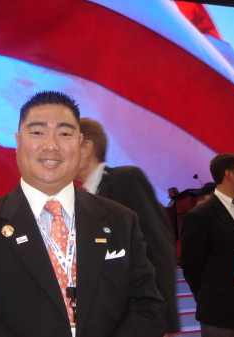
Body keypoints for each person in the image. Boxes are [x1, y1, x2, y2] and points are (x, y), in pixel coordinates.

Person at [0, 91, 165, 337]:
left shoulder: (121, 220)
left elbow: (147, 308)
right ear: (18, 141)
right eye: (37, 132)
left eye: (64, 134)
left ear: (80, 143)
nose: (51, 145)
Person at [75, 117, 180, 336]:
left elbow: (158, 247)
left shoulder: (125, 178)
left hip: (134, 322)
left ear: (86, 148)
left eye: (67, 141)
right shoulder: (77, 199)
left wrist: (165, 320)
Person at [180, 153, 234, 337]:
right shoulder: (200, 215)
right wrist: (209, 299)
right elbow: (191, 265)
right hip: (219, 314)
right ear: (228, 175)